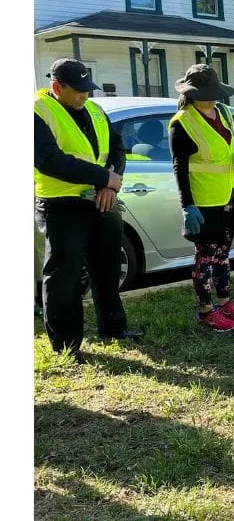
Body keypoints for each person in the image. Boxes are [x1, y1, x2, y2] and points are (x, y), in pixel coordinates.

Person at [34, 58, 143, 364]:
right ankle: (66, 346)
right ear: (58, 87)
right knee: (63, 276)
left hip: (100, 200)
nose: (85, 95)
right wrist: (101, 178)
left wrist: (110, 186)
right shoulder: (37, 112)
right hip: (62, 205)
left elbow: (117, 150)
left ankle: (114, 328)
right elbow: (48, 160)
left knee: (107, 268)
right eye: (78, 90)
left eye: (87, 88)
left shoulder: (95, 110)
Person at [169, 64, 234, 331]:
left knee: (224, 253)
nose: (212, 98)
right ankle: (206, 310)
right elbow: (180, 167)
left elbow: (225, 145)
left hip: (228, 194)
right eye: (206, 93)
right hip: (204, 202)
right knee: (205, 256)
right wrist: (187, 206)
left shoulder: (223, 112)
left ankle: (225, 302)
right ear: (192, 94)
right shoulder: (182, 122)